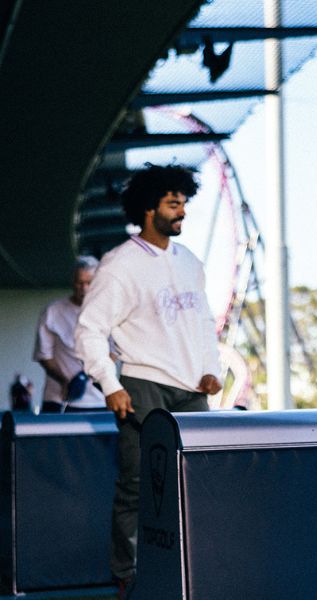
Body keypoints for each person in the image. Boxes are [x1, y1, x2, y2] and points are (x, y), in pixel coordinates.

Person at [75, 163, 222, 598]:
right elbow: (89, 329)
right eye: (173, 203)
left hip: (192, 390)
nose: (182, 211)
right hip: (143, 386)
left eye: (183, 203)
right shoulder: (120, 265)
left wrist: (211, 368)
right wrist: (111, 385)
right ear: (148, 208)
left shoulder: (190, 261)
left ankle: (191, 573)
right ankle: (128, 577)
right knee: (138, 486)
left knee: (194, 484)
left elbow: (204, 323)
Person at [33, 256, 107, 413]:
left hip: (98, 400)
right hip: (58, 399)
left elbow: (114, 351)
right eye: (80, 283)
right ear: (72, 282)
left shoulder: (107, 312)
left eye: (89, 283)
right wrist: (64, 381)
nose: (84, 288)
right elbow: (44, 356)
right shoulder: (53, 311)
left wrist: (89, 373)